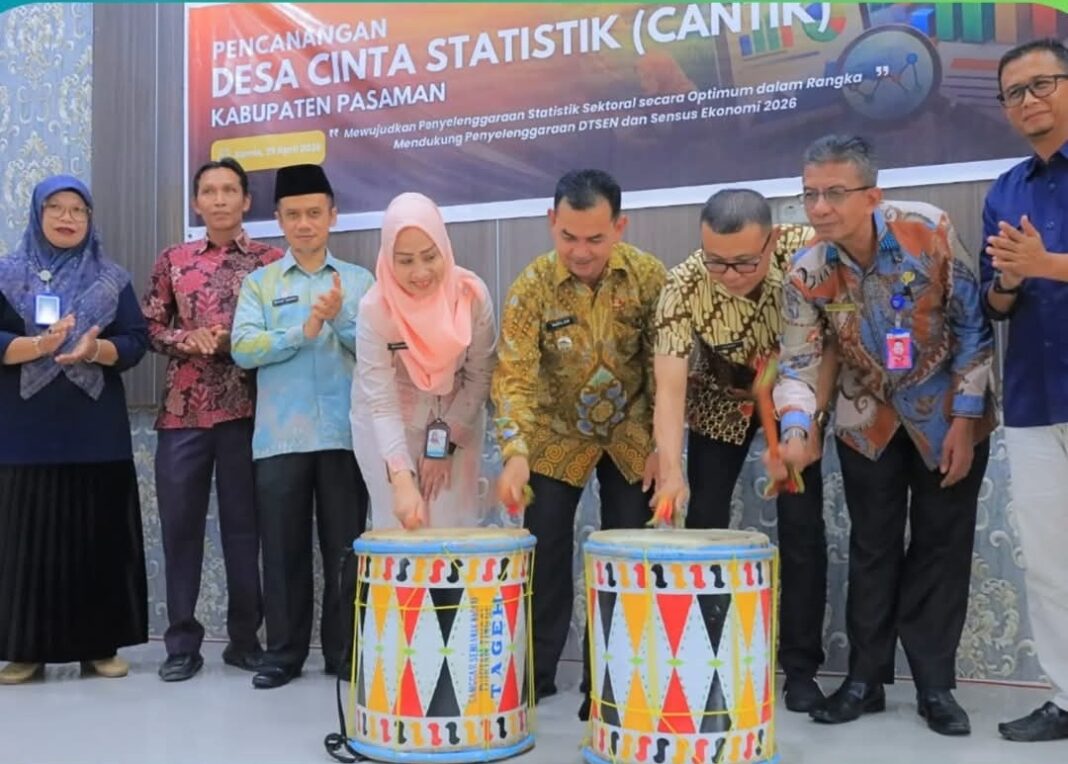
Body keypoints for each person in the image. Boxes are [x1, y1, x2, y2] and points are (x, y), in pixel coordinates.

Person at [771, 135, 995, 735]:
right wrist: (798, 428)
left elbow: (973, 327)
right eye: (810, 194)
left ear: (872, 195)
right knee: (872, 547)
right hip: (865, 418)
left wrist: (965, 421)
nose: (819, 207)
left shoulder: (929, 231)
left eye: (834, 193)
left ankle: (935, 687)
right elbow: (798, 362)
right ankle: (864, 681)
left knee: (941, 545)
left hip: (945, 413)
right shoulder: (806, 271)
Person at [492, 169, 666, 720]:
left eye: (595, 238)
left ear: (619, 227)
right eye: (568, 237)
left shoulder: (647, 277)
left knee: (623, 560)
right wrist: (516, 452)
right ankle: (536, 677)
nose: (581, 251)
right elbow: (514, 376)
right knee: (543, 556)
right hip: (553, 434)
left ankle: (609, 684)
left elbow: (664, 369)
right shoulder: (532, 286)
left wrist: (663, 445)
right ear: (552, 222)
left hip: (631, 433)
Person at [652, 188, 834, 712]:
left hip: (796, 398)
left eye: (744, 263)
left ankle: (801, 669)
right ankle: (707, 660)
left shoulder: (807, 255)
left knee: (801, 528)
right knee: (705, 525)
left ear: (771, 241)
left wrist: (809, 424)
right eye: (717, 262)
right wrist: (671, 469)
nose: (729, 275)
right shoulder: (682, 285)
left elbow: (832, 345)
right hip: (721, 398)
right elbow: (670, 388)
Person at [0, 175, 149, 684]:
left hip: (95, 432)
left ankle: (99, 647)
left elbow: (135, 341)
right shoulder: (6, 273)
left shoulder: (111, 279)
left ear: (90, 218)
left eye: (78, 209)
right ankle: (25, 650)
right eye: (56, 208)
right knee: (26, 543)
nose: (67, 218)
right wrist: (39, 347)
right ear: (37, 214)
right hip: (24, 434)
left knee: (97, 539)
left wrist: (95, 349)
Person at [231, 163, 373, 689]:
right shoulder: (260, 284)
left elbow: (378, 351)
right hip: (280, 438)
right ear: (278, 219)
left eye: (314, 213)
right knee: (282, 549)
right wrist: (304, 329)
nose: (304, 223)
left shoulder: (359, 281)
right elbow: (243, 349)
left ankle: (345, 653)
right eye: (293, 215)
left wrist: (338, 318)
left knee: (345, 549)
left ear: (333, 215)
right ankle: (283, 654)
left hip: (344, 436)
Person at [142, 158, 283, 682]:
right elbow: (149, 326)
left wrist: (236, 342)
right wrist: (187, 338)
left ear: (246, 201)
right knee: (180, 529)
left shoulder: (271, 262)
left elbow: (282, 330)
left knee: (245, 530)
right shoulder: (174, 260)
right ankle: (181, 643)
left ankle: (245, 640)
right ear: (196, 203)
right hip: (183, 414)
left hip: (248, 412)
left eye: (229, 190)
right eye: (209, 191)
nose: (220, 199)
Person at [982, 38, 1068, 743]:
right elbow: (995, 304)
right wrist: (1011, 279)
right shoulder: (1004, 191)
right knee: (1048, 564)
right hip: (1034, 399)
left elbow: (1045, 265)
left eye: (1043, 84)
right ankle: (1066, 696)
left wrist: (1046, 263)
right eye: (1015, 93)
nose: (1028, 100)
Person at [351, 192, 496, 531]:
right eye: (405, 261)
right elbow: (381, 403)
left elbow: (480, 375)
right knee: (400, 525)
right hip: (388, 424)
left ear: (444, 247)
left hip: (457, 415)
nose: (420, 272)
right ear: (389, 259)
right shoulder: (375, 310)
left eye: (430, 256)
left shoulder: (471, 297)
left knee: (452, 530)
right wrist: (401, 478)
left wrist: (443, 446)